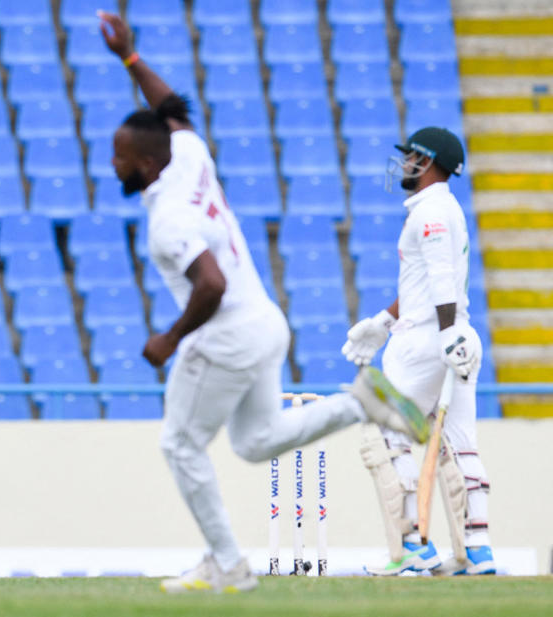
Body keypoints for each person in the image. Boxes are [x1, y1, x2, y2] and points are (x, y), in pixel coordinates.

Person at [98, 12, 429, 594]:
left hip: (224, 334)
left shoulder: (167, 221)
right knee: (255, 441)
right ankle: (359, 402)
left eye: (119, 156)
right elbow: (173, 108)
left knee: (179, 444)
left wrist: (167, 340)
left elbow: (210, 286)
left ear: (146, 164)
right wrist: (130, 58)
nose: (113, 164)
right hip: (266, 323)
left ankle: (227, 562)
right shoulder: (190, 157)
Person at [344, 127, 495, 576]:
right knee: (462, 445)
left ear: (426, 162)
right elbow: (424, 283)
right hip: (457, 336)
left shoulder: (429, 211)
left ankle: (413, 546)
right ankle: (477, 550)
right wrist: (382, 322)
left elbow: (441, 275)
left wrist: (442, 332)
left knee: (388, 434)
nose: (404, 164)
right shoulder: (448, 209)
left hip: (429, 339)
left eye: (410, 157)